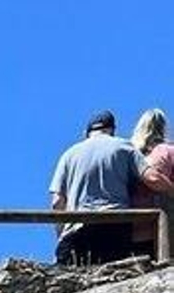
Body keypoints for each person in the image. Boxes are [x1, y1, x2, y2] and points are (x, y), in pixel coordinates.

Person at [49, 110, 143, 265]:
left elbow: (57, 202)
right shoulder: (125, 147)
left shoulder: (68, 155)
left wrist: (62, 235)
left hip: (77, 231)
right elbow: (150, 178)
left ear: (87, 132)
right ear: (112, 130)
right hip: (115, 228)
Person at [130, 108, 174, 253]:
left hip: (132, 227)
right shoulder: (166, 151)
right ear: (163, 128)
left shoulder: (129, 154)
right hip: (163, 229)